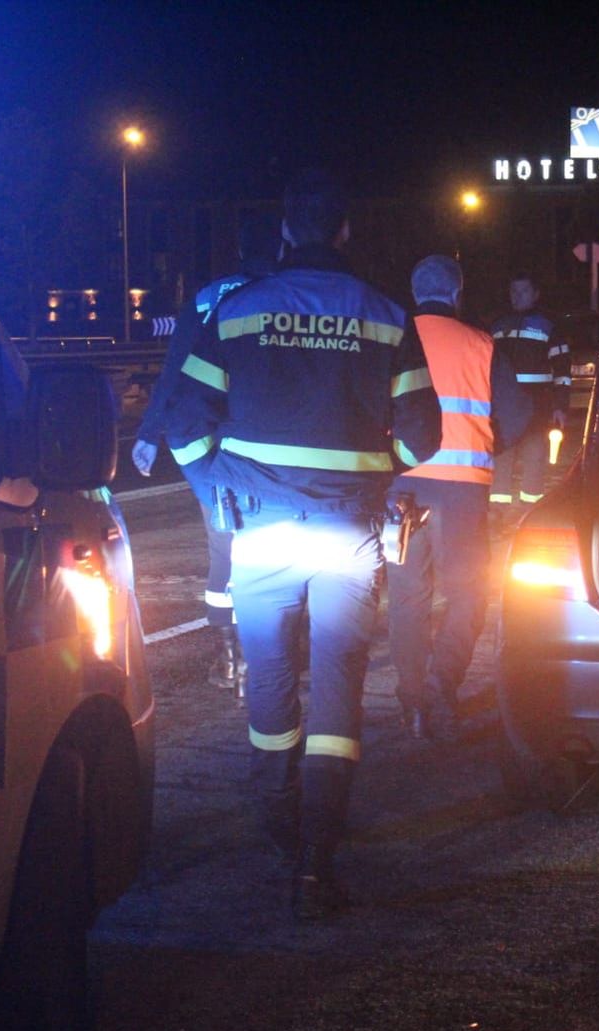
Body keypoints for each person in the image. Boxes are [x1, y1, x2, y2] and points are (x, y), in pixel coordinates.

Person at [163, 167, 441, 920]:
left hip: (260, 530)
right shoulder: (385, 315)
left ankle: (274, 815)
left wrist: (213, 482)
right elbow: (425, 435)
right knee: (340, 684)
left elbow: (183, 421)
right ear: (346, 231)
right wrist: (373, 475)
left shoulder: (240, 310)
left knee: (270, 676)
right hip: (347, 534)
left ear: (286, 231)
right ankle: (318, 863)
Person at [133, 212, 282, 693]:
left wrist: (148, 433)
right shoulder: (288, 294)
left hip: (208, 442)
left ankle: (229, 658)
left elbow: (176, 368)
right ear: (279, 250)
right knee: (280, 550)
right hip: (269, 440)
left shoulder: (206, 296)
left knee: (224, 547)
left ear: (239, 251)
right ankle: (272, 655)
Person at [388, 255, 530, 742]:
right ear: (456, 294)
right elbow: (516, 414)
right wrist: (485, 445)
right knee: (468, 593)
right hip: (464, 489)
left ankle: (411, 703)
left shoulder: (392, 338)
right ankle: (438, 690)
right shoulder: (482, 345)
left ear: (415, 293)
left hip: (401, 487)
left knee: (407, 597)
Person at [486, 270, 570, 525]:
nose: (516, 296)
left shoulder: (549, 325)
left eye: (522, 291)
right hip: (503, 406)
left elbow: (563, 370)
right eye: (513, 291)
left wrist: (560, 406)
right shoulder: (498, 326)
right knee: (502, 455)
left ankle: (529, 510)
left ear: (535, 294)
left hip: (538, 406)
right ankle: (497, 509)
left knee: (534, 456)